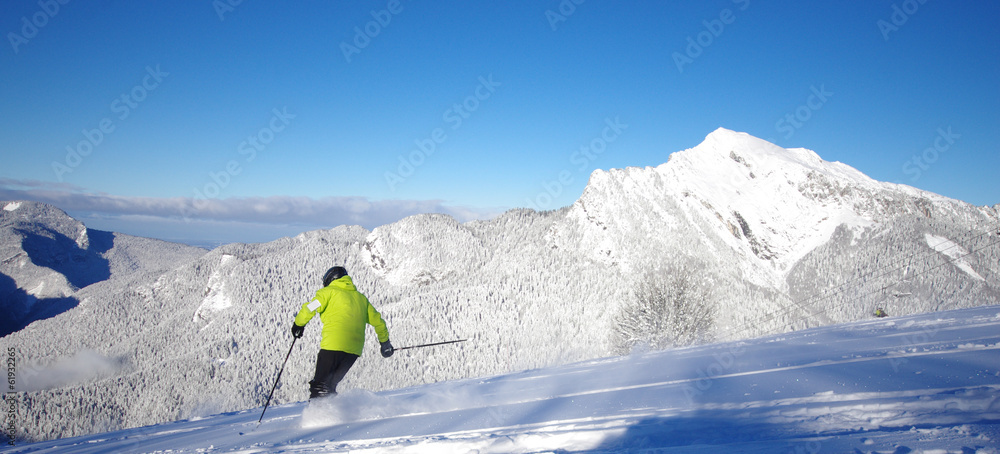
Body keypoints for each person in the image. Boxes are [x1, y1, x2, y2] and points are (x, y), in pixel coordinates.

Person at [291, 266, 394, 399]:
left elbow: (310, 308)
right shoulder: (361, 299)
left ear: (330, 279)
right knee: (330, 386)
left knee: (320, 386)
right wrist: (385, 343)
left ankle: (318, 416)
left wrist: (298, 324)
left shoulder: (327, 292)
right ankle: (333, 414)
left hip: (333, 345)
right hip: (353, 351)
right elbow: (379, 322)